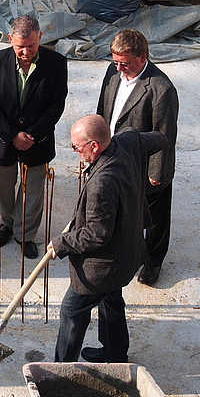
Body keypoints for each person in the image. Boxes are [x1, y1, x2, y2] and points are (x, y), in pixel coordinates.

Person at [49, 114, 166, 363]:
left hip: (106, 264)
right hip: (128, 251)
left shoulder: (103, 183)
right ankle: (115, 353)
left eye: (76, 147)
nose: (75, 152)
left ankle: (62, 370)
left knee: (72, 310)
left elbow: (97, 233)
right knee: (111, 298)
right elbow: (160, 140)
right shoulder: (129, 141)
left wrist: (62, 243)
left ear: (95, 145)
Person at [97, 29, 179, 286]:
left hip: (145, 166)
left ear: (142, 58)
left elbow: (165, 134)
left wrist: (157, 172)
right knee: (122, 212)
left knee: (154, 217)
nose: (120, 68)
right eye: (116, 62)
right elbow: (104, 111)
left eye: (125, 63)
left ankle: (153, 260)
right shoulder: (113, 73)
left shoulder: (161, 89)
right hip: (115, 159)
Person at [0, 15, 68, 259]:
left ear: (40, 37)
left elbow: (56, 105)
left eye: (31, 46)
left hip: (37, 140)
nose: (26, 52)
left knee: (32, 190)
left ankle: (25, 235)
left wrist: (30, 135)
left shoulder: (57, 63)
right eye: (20, 47)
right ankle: (8, 225)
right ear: (10, 40)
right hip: (3, 141)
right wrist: (12, 135)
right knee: (4, 187)